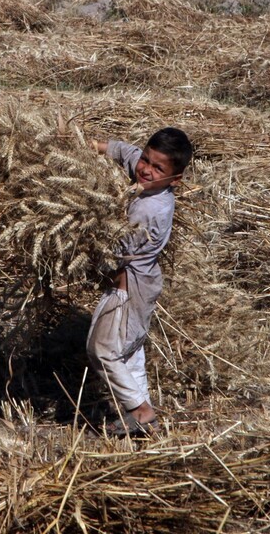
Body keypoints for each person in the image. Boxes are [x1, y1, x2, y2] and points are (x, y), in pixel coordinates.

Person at [87, 127, 193, 436]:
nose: (145, 169)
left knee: (104, 349)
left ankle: (140, 412)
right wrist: (89, 147)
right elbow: (122, 150)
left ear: (175, 180)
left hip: (132, 285)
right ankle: (147, 423)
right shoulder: (143, 169)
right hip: (140, 281)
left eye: (158, 168)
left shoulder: (151, 209)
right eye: (147, 159)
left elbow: (117, 247)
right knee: (130, 349)